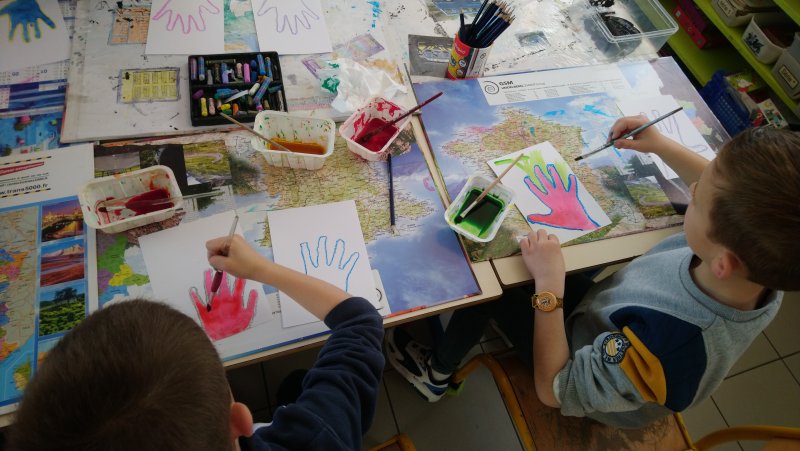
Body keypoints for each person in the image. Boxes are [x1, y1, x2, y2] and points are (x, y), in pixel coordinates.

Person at [386, 119, 800, 428]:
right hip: (604, 314)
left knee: (500, 287)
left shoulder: (669, 348)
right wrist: (661, 146)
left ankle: (436, 374)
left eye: (696, 196)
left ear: (723, 261)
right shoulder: (759, 264)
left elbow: (555, 389)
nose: (690, 189)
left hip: (578, 364)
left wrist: (549, 286)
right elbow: (725, 194)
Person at [9, 234, 385, 450]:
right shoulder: (317, 439)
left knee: (295, 383)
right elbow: (360, 322)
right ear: (240, 420)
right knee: (298, 383)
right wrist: (261, 269)